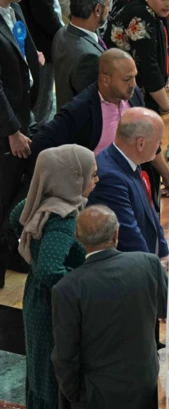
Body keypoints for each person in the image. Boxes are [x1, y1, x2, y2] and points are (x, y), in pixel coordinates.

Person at [51, 205, 167, 409]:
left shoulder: (66, 289)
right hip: (145, 390)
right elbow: (166, 311)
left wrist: (78, 396)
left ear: (78, 238)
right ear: (116, 234)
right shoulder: (148, 264)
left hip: (97, 403)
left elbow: (65, 356)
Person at [9, 145, 98, 409]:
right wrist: (82, 282)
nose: (96, 179)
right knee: (52, 374)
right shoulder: (62, 217)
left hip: (35, 296)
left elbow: (16, 218)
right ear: (72, 178)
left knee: (40, 371)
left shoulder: (41, 200)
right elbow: (50, 270)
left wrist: (33, 255)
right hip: (52, 307)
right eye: (92, 175)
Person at [30, 48, 169, 209]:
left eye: (134, 77)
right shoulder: (80, 110)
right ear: (105, 80)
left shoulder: (133, 95)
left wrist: (167, 176)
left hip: (135, 186)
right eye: (127, 79)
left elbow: (148, 138)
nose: (133, 84)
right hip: (101, 199)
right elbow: (40, 146)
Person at [87, 107, 169, 261]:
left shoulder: (129, 158)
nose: (161, 144)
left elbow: (150, 214)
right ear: (140, 144)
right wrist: (155, 270)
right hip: (136, 270)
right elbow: (129, 236)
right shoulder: (110, 179)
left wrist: (164, 253)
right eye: (159, 140)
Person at [0, 0, 43, 287]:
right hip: (7, 127)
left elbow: (23, 45)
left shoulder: (14, 9)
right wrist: (12, 131)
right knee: (4, 196)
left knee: (19, 190)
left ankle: (12, 252)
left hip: (25, 112)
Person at [104, 0, 169, 114]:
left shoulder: (155, 10)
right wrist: (167, 108)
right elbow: (148, 69)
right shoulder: (141, 15)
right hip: (124, 95)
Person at [52, 0, 110, 111]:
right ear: (98, 10)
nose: (110, 10)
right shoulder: (89, 56)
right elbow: (94, 104)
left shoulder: (62, 32)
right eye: (107, 5)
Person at [18, 0, 63, 125]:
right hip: (41, 47)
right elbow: (44, 14)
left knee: (44, 100)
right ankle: (37, 137)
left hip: (39, 44)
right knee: (41, 102)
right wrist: (63, 33)